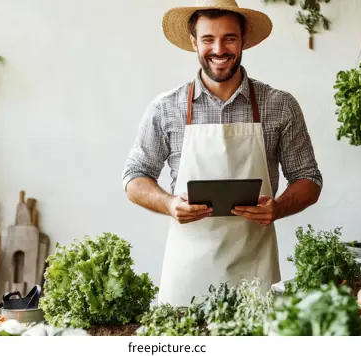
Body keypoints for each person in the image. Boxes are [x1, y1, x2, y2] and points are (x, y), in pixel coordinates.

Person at [121, 0, 323, 306]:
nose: (219, 49)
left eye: (229, 38)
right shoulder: (166, 107)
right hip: (187, 273)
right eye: (208, 39)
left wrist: (278, 207)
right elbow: (134, 177)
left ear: (243, 40)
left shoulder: (280, 105)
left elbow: (309, 178)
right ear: (193, 43)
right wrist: (169, 203)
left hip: (255, 271)